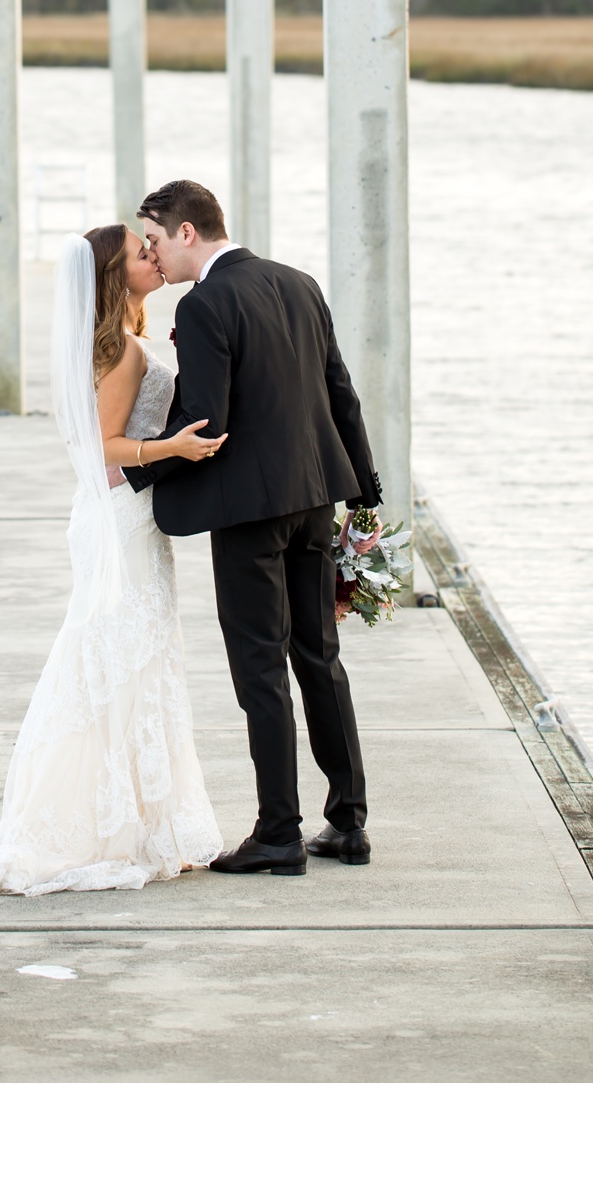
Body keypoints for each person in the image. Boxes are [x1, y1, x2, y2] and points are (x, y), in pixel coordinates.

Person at [0, 224, 224, 910]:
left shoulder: (111, 344)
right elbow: (106, 447)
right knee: (120, 658)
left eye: (152, 248)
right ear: (111, 277)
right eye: (139, 254)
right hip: (121, 521)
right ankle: (114, 825)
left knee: (126, 658)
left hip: (112, 521)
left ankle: (142, 819)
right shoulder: (118, 352)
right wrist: (173, 449)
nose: (153, 258)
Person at [121, 178, 382, 876]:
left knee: (259, 668)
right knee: (318, 657)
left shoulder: (207, 302)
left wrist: (135, 471)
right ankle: (347, 823)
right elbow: (340, 393)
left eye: (154, 238)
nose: (153, 254)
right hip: (314, 497)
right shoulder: (298, 283)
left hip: (249, 510)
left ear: (186, 233)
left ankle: (278, 832)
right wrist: (365, 492)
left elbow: (206, 417)